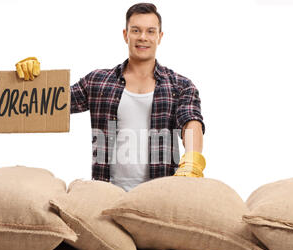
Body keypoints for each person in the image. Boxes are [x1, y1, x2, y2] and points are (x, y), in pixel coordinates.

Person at [15, 3, 206, 191]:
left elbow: (191, 121)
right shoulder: (98, 81)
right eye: (136, 30)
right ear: (125, 34)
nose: (142, 37)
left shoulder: (180, 85)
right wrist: (33, 82)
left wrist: (192, 160)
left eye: (150, 31)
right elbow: (54, 103)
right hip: (107, 194)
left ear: (159, 37)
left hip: (159, 195)